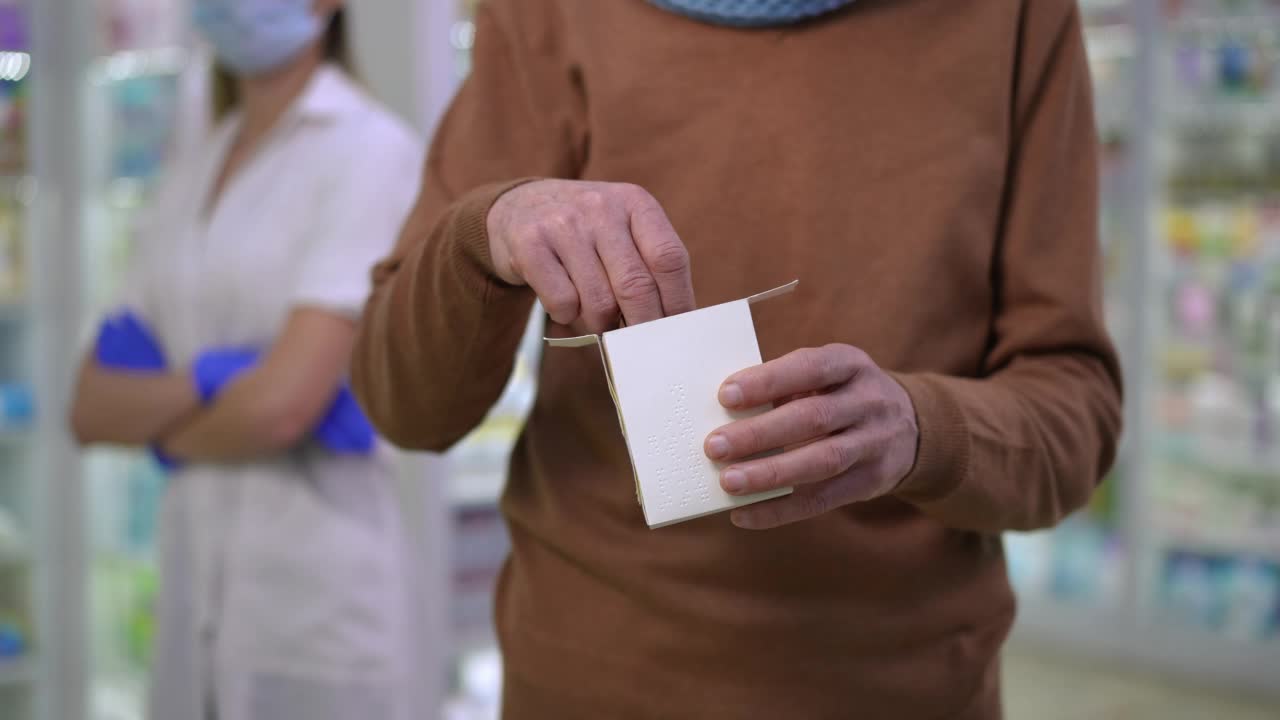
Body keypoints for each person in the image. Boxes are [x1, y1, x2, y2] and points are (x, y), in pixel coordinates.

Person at [354, 0, 1123, 717]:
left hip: (900, 685)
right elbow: (403, 406)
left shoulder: (1015, 17)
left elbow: (1074, 412)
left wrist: (922, 431)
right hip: (591, 677)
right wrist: (488, 230)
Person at [68, 1, 423, 718]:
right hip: (194, 600)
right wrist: (223, 380)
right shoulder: (196, 165)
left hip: (316, 614)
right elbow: (90, 405)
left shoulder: (369, 147)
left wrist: (169, 427)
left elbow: (281, 409)